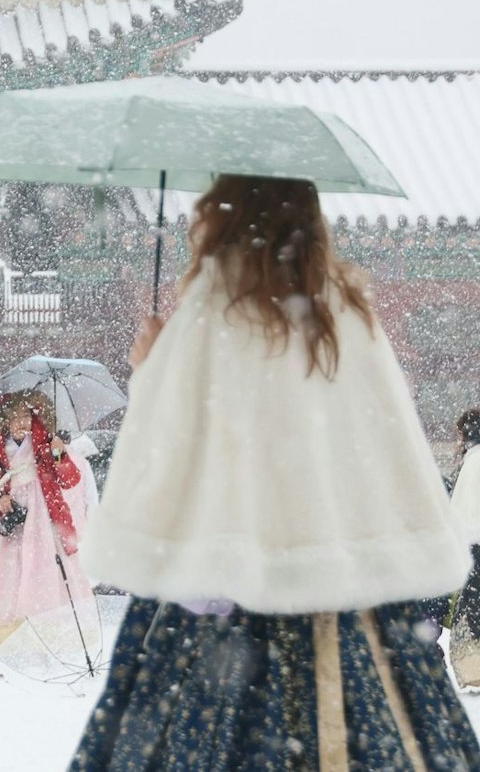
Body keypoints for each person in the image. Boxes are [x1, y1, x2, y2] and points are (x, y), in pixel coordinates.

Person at [72, 175, 479, 768]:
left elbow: (170, 458)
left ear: (228, 215)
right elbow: (387, 447)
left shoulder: (212, 314)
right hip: (349, 600)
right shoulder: (347, 315)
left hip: (219, 598)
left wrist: (151, 372)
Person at [0, 389, 92, 669]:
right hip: (11, 528)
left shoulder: (47, 444)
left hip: (44, 521)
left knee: (44, 576)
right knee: (7, 579)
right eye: (15, 417)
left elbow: (70, 480)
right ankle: (6, 644)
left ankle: (46, 643)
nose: (21, 423)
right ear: (4, 420)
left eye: (26, 416)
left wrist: (60, 454)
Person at [448, 408, 480, 691]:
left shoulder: (473, 463)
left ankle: (474, 667)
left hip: (474, 548)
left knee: (472, 611)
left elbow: (462, 514)